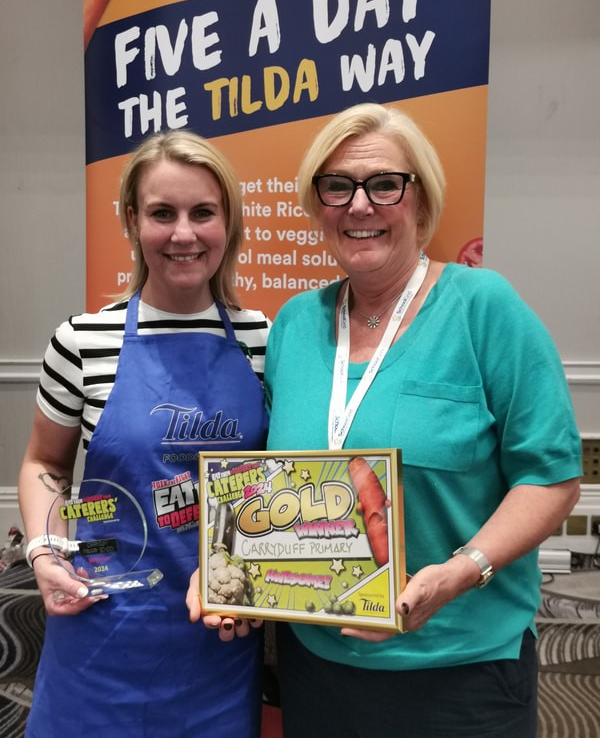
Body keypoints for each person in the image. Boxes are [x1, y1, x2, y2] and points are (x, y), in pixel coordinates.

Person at [263, 103, 582, 738]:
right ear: (317, 204)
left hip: (460, 672)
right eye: (337, 186)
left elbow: (551, 477)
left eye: (385, 183)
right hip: (317, 667)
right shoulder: (294, 324)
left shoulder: (484, 308)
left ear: (421, 199)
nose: (360, 205)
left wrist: (462, 572)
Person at [18, 129, 269, 737]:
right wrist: (45, 551)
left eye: (203, 212)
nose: (183, 233)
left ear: (228, 222)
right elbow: (45, 464)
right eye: (162, 213)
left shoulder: (264, 340)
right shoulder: (82, 341)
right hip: (101, 635)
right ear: (132, 220)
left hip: (219, 640)